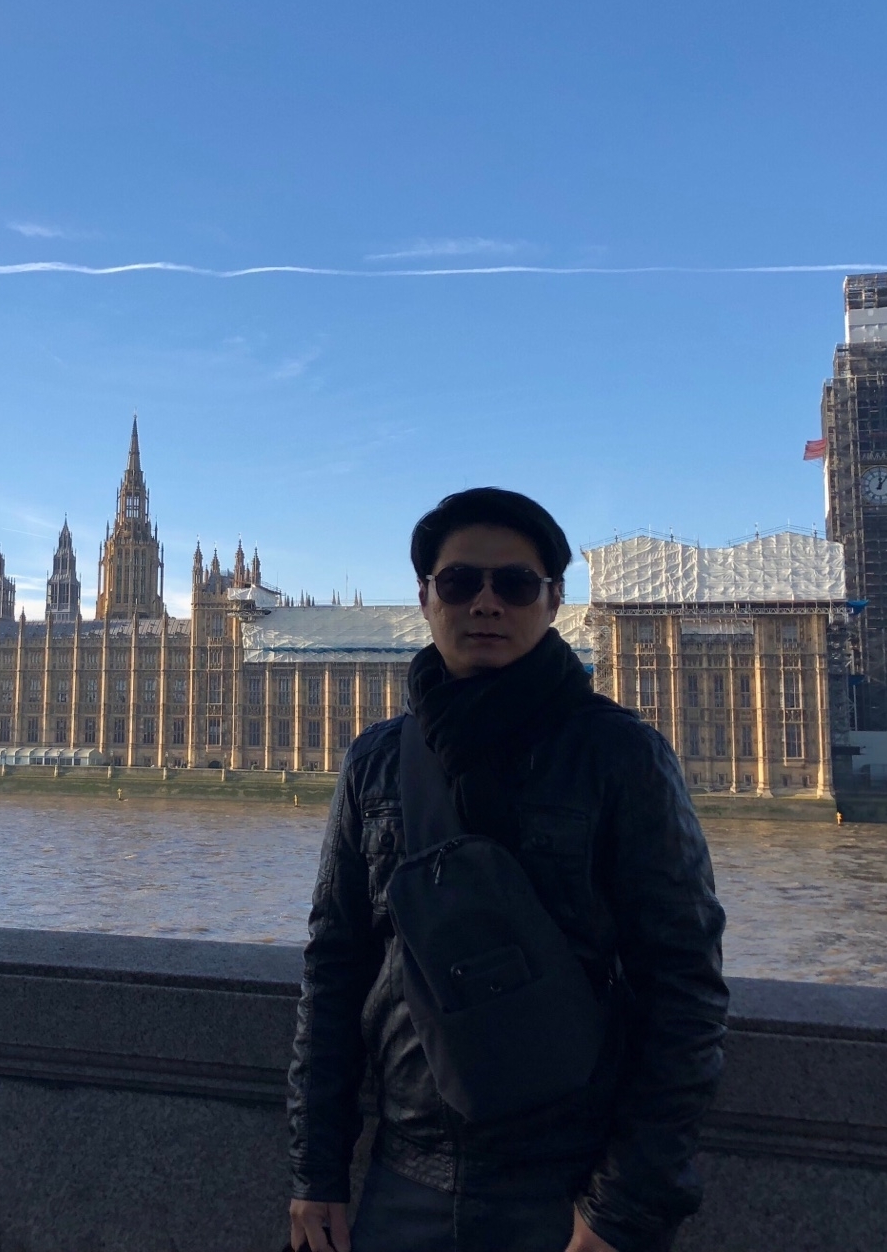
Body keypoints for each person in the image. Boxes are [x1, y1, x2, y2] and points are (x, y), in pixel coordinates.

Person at [287, 488, 728, 1252]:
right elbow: (334, 972)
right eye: (460, 582)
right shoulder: (376, 764)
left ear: (554, 601)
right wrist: (315, 1168)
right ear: (425, 598)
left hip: (566, 1191)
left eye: (515, 584)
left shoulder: (620, 756)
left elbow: (684, 991)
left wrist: (623, 1208)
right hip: (404, 1180)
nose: (485, 603)